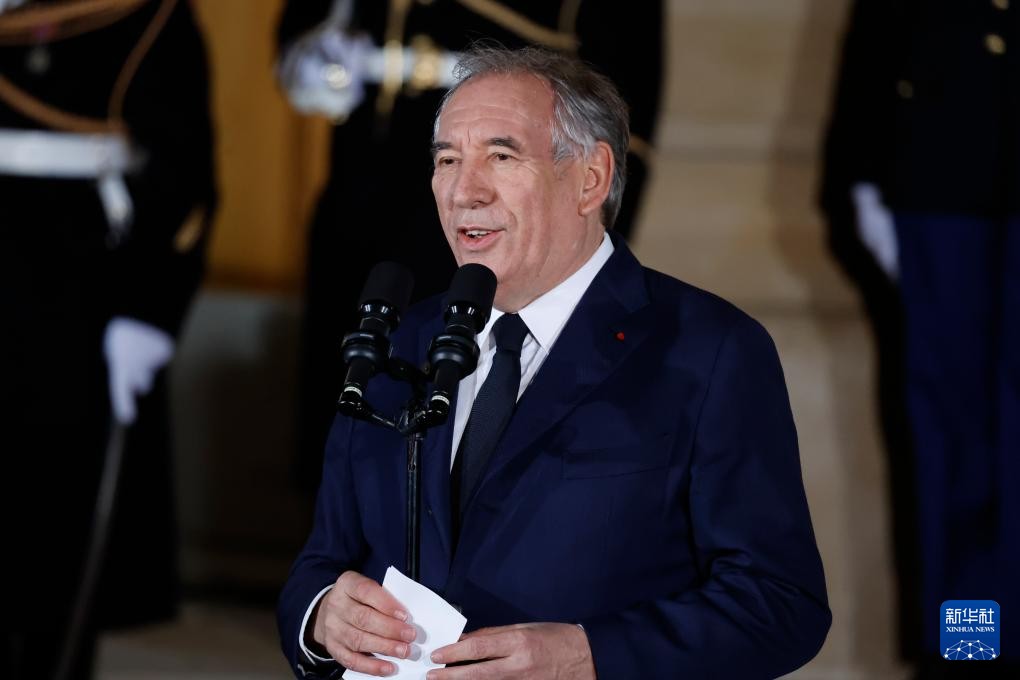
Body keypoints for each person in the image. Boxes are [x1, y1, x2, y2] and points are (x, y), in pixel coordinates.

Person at [278, 46, 830, 679]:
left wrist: (590, 656)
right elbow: (321, 562)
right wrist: (322, 617)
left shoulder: (708, 350)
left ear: (590, 179)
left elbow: (780, 604)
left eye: (501, 157)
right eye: (448, 160)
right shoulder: (400, 342)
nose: (464, 191)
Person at [276, 0, 664, 500]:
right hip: (361, 201)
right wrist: (303, 49)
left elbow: (623, 108)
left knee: (479, 474)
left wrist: (580, 271)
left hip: (500, 232)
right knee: (339, 456)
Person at [0, 0, 215, 677]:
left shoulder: (148, 14)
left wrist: (149, 310)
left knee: (56, 529)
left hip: (75, 295)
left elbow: (185, 175)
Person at [820, 1, 1018, 673]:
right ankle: (972, 649)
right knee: (953, 446)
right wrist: (857, 175)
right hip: (943, 172)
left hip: (949, 171)